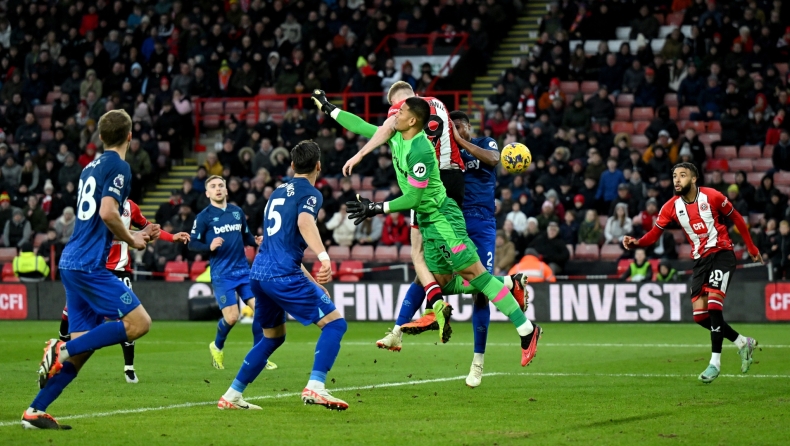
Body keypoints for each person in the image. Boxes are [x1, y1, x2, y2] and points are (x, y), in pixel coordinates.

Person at [337, 97, 540, 367]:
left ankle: (526, 330)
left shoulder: (421, 149)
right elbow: (362, 126)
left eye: (400, 112)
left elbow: (413, 197)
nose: (393, 116)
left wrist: (376, 207)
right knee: (439, 282)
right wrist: (331, 110)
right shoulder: (398, 139)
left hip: (445, 218)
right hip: (429, 221)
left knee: (477, 276)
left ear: (413, 120)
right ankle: (507, 284)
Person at [22, 110, 157, 430]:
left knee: (83, 350)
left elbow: (98, 218)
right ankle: (60, 347)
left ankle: (34, 411)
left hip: (72, 260)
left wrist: (135, 233)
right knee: (140, 323)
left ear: (101, 137)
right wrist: (133, 239)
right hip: (88, 265)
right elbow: (108, 212)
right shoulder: (119, 166)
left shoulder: (89, 167)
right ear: (129, 136)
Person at [217, 141, 346, 411]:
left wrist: (312, 281)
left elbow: (279, 245)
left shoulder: (276, 193)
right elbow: (304, 223)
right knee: (335, 324)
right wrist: (324, 257)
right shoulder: (310, 193)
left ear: (292, 165)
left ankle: (232, 395)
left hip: (260, 274)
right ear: (318, 166)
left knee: (273, 337)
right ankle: (316, 386)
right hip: (282, 275)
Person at [623, 162, 761, 383]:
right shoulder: (670, 207)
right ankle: (743, 342)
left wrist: (751, 247)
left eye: (682, 175)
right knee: (700, 316)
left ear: (694, 178)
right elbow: (654, 234)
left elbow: (736, 218)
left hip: (722, 253)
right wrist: (637, 242)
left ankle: (715, 363)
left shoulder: (712, 196)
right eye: (675, 176)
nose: (677, 180)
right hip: (700, 260)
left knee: (714, 307)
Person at [57, 199, 189, 384]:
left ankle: (129, 368)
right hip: (95, 269)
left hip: (120, 271)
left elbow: (148, 228)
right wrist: (130, 235)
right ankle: (59, 350)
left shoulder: (131, 207)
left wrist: (171, 237)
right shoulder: (99, 205)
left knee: (130, 318)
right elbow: (101, 232)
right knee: (70, 311)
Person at [188, 175, 273, 371]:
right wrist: (209, 246)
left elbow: (246, 236)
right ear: (207, 193)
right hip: (222, 274)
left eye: (221, 185)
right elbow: (192, 244)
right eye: (213, 186)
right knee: (232, 317)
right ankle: (217, 346)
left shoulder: (237, 212)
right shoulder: (203, 217)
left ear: (226, 190)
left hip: (243, 271)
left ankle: (259, 356)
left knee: (261, 310)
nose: (218, 189)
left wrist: (255, 241)